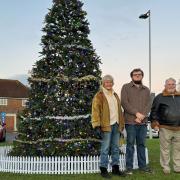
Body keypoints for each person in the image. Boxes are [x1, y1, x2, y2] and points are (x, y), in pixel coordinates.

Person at [91, 75, 126, 178]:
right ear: (103, 83)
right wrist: (96, 124)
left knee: (115, 148)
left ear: (112, 83)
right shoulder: (99, 95)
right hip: (106, 125)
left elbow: (120, 111)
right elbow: (95, 111)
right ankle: (103, 169)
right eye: (106, 82)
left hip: (116, 124)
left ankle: (115, 168)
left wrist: (122, 124)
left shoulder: (115, 95)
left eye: (110, 82)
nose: (108, 84)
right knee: (105, 148)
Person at [121, 68, 152, 175]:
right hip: (130, 122)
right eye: (135, 74)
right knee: (130, 145)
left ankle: (143, 166)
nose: (137, 76)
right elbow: (124, 102)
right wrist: (136, 113)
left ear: (142, 76)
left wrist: (142, 116)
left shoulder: (146, 89)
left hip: (143, 122)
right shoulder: (126, 87)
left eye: (139, 74)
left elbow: (149, 104)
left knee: (142, 145)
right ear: (132, 76)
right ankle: (129, 168)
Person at [149, 78, 180, 174]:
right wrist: (155, 124)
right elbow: (154, 111)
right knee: (165, 149)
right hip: (165, 128)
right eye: (169, 84)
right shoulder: (159, 97)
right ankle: (165, 167)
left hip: (179, 128)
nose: (171, 86)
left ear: (175, 85)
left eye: (173, 84)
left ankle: (177, 167)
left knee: (178, 149)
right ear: (165, 85)